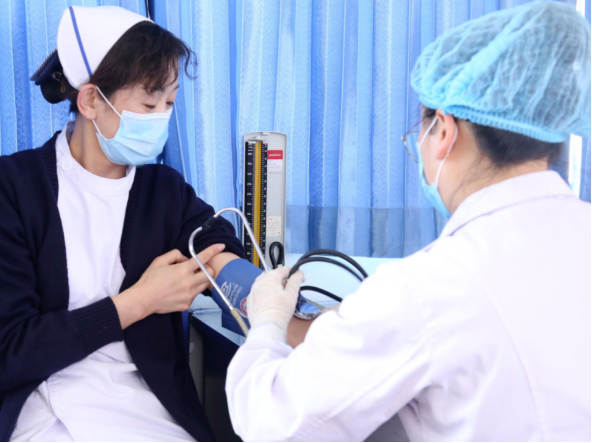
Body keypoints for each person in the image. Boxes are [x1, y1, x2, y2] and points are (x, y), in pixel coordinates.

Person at [225, 2, 591, 441]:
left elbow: (271, 422)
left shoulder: (430, 288)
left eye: (421, 130)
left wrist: (267, 321)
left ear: (444, 131)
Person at [0, 6, 242, 442]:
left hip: (146, 412)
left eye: (170, 103)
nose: (161, 117)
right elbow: (5, 353)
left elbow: (213, 241)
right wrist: (141, 300)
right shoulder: (1, 192)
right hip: (34, 413)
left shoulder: (163, 191)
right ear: (91, 101)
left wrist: (249, 287)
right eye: (149, 103)